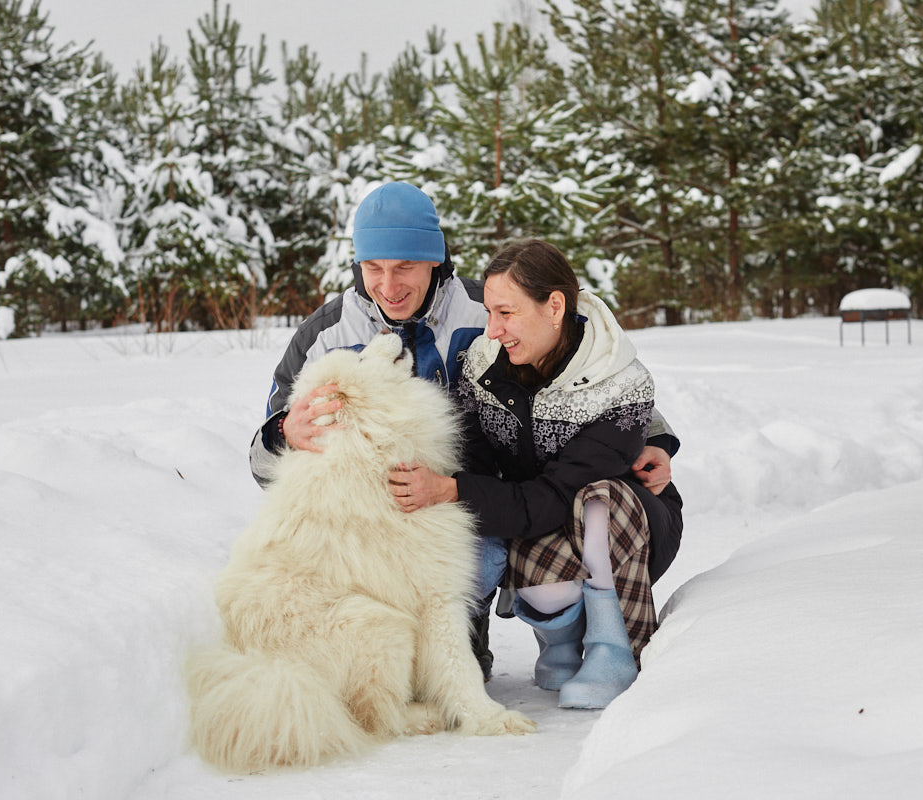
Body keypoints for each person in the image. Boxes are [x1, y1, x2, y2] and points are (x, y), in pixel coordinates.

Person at [249, 183, 679, 680]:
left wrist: (652, 436)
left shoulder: (487, 309)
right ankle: (361, 653)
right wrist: (283, 434)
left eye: (405, 267)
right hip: (365, 517)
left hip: (468, 501)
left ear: (435, 260)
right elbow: (263, 461)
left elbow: (595, 371)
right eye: (374, 269)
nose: (389, 286)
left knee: (488, 552)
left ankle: (469, 636)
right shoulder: (326, 335)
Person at [387, 239, 683, 709]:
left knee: (597, 497)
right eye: (489, 312)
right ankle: (561, 646)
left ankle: (615, 648)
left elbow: (552, 494)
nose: (492, 330)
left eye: (505, 313)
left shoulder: (619, 385)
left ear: (555, 307)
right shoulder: (483, 367)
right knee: (523, 554)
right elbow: (482, 467)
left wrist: (450, 490)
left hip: (629, 525)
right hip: (539, 514)